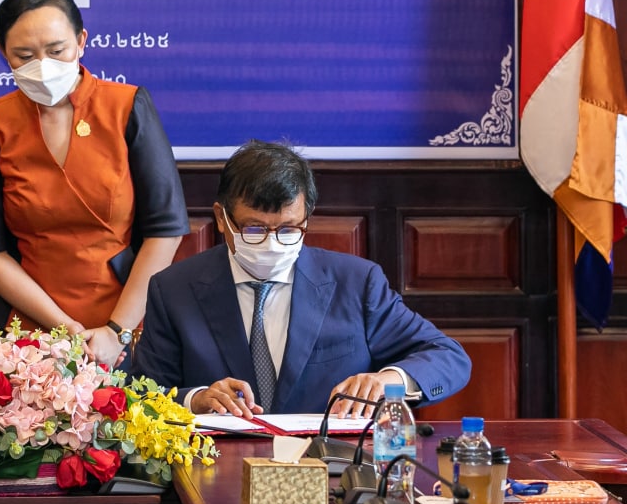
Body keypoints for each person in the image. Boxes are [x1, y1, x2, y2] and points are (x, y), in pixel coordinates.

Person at [133, 140, 471, 418]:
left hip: (331, 464)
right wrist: (195, 399)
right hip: (219, 465)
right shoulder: (174, 289)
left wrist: (390, 380)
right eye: (254, 229)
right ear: (221, 218)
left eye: (288, 229)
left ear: (306, 218)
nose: (272, 243)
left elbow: (447, 357)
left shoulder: (357, 283)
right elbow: (142, 395)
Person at [0, 0, 190, 367]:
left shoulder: (126, 106)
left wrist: (116, 331)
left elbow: (165, 230)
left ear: (81, 42)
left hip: (129, 319)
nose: (43, 66)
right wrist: (66, 330)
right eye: (24, 55)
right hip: (32, 324)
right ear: (3, 54)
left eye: (56, 51)